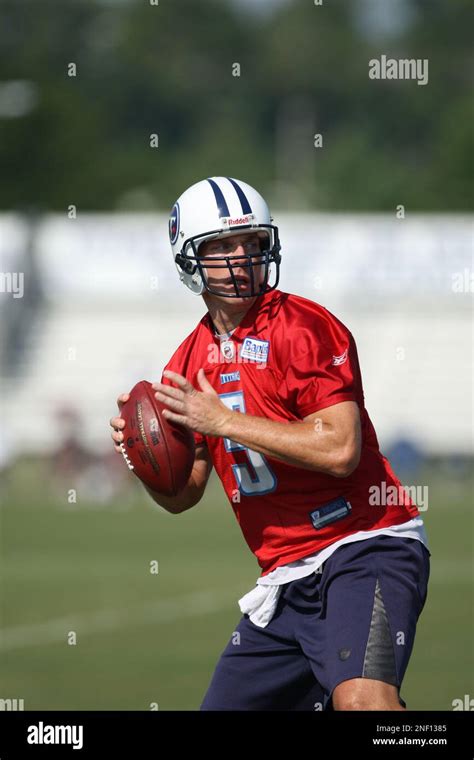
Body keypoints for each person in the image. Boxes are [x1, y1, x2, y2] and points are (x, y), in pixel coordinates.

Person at [110, 177, 430, 711]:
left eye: (253, 243)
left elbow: (339, 450)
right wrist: (142, 460)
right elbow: (184, 494)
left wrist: (223, 421)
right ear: (191, 259)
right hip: (284, 579)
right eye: (223, 246)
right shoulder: (186, 363)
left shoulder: (304, 327)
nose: (243, 257)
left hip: (366, 544)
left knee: (364, 703)